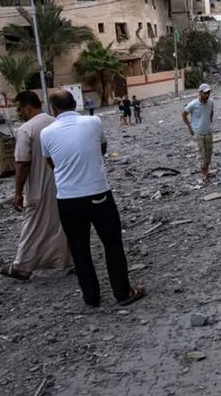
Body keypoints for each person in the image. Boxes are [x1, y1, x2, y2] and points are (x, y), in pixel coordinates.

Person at [40, 90, 146, 307]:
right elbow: (102, 149)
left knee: (79, 249)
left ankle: (91, 297)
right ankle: (122, 292)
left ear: (54, 109)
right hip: (98, 193)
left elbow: (53, 164)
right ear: (75, 104)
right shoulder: (93, 122)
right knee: (112, 243)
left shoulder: (46, 133)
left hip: (67, 198)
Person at [0, 91, 71, 281]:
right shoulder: (55, 122)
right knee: (61, 224)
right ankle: (66, 260)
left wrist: (17, 193)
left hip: (38, 187)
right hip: (63, 184)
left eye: (19, 109)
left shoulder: (26, 129)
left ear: (27, 108)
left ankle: (22, 266)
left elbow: (23, 163)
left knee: (32, 226)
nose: (19, 113)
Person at [183, 84, 215, 183]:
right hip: (198, 133)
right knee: (202, 154)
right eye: (205, 93)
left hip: (208, 131)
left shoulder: (210, 102)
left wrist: (209, 121)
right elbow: (184, 114)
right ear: (200, 93)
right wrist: (189, 127)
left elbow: (211, 112)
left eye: (208, 93)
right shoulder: (193, 104)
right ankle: (203, 173)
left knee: (209, 153)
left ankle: (206, 170)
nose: (207, 95)